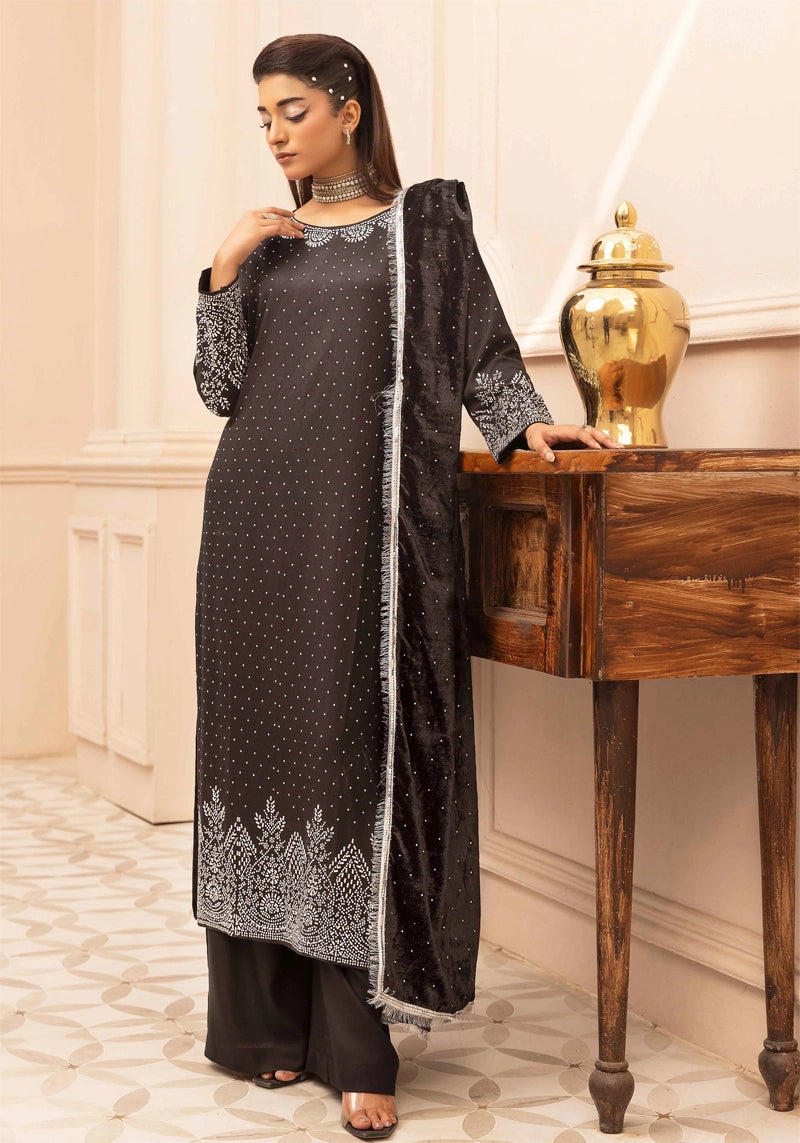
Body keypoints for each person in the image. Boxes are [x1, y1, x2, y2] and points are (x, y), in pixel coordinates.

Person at [191, 32, 620, 1140]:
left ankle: (354, 1040)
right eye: (263, 120)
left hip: (360, 535)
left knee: (349, 753)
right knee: (255, 753)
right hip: (249, 531)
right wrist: (226, 264)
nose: (276, 132)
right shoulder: (271, 247)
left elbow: (477, 356)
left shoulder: (419, 230)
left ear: (346, 106)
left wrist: (527, 430)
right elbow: (219, 386)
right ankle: (259, 1030)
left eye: (290, 110)